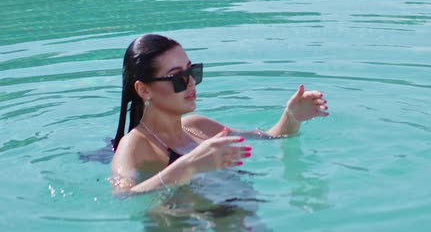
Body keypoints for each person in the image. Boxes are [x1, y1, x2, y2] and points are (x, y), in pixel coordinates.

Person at [111, 34, 329, 193]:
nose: (192, 83)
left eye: (192, 71)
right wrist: (188, 166)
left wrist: (291, 117)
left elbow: (270, 137)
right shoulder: (136, 145)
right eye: (179, 77)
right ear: (144, 90)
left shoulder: (198, 126)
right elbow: (124, 196)